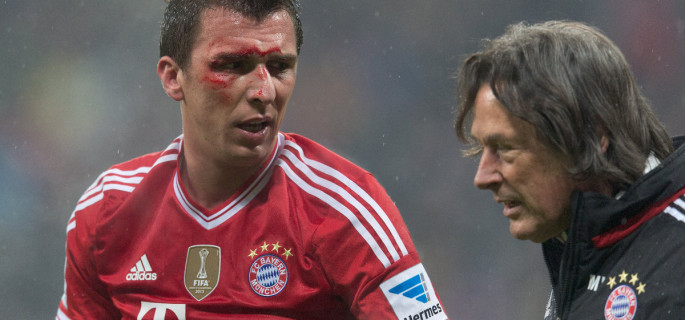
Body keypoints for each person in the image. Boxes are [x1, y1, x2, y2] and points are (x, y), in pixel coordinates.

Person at [56, 1, 448, 319]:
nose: (264, 90)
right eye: (232, 65)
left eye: (280, 67)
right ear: (173, 77)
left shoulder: (346, 210)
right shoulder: (107, 210)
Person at [454, 20, 685, 319]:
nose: (482, 177)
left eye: (506, 148)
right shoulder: (584, 251)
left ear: (591, 135)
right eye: (482, 149)